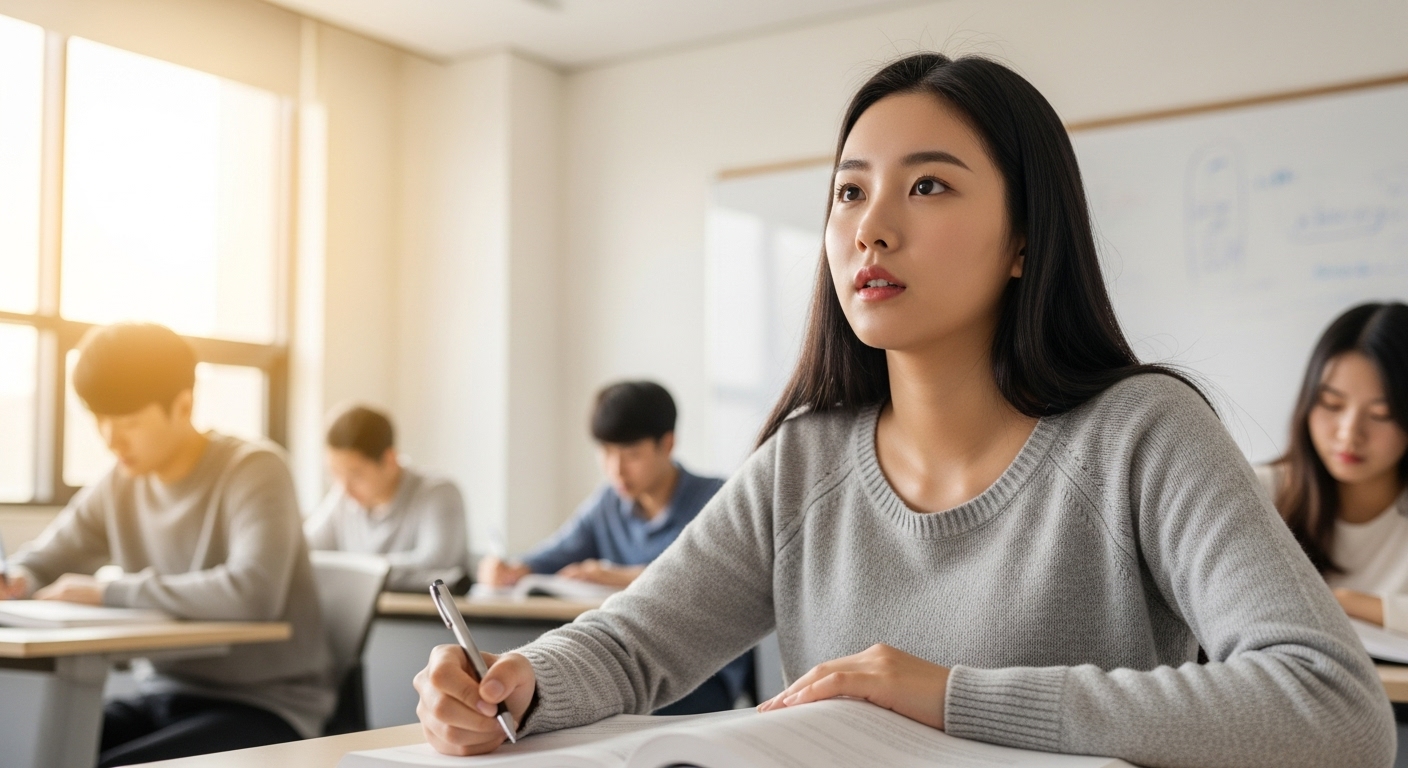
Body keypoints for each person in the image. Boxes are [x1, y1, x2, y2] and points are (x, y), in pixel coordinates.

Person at [414, 53, 1394, 767]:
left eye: (927, 185)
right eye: (847, 192)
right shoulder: (807, 459)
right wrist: (518, 686)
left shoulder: (1141, 434)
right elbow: (632, 645)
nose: (869, 227)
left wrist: (950, 697)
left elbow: (1333, 709)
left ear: (1024, 237)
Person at [1, 323, 333, 767]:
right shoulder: (119, 483)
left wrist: (107, 592)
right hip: (164, 695)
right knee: (30, 750)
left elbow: (254, 592)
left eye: (130, 424)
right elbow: (47, 557)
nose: (111, 441)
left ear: (184, 405)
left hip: (267, 706)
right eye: (100, 421)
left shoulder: (254, 469)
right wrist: (19, 578)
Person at [477, 380, 750, 714]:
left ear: (667, 444)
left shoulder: (717, 500)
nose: (616, 469)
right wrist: (512, 568)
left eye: (631, 454)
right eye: (606, 452)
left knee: (592, 713)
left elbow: (720, 579)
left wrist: (621, 577)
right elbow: (553, 555)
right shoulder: (609, 503)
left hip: (704, 677)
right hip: (631, 666)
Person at [1260, 303, 1408, 632]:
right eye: (1332, 404)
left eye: (1381, 413)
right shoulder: (1257, 493)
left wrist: (1343, 601)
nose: (1348, 434)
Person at [304, 405, 470, 593]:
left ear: (390, 460)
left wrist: (351, 571)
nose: (344, 488)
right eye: (334, 474)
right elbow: (303, 554)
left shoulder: (438, 493)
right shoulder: (342, 498)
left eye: (355, 474)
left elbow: (438, 564)